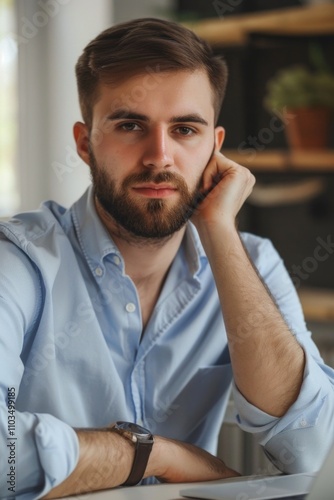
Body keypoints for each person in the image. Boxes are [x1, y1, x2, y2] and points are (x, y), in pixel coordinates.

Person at [0, 17, 333, 500]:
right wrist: (152, 455)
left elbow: (318, 454)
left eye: (184, 129)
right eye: (131, 125)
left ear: (214, 149)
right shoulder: (20, 262)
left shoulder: (253, 263)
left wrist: (219, 231)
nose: (160, 156)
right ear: (84, 143)